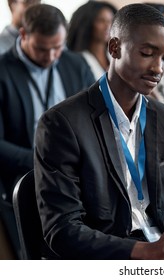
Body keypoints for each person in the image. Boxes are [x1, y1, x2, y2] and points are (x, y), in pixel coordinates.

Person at [34, 3, 164, 260]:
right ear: (114, 48)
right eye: (148, 53)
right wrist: (146, 251)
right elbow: (62, 230)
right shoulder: (62, 123)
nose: (158, 68)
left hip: (163, 251)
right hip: (113, 256)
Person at [0, 4, 95, 258]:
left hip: (76, 175)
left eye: (58, 47)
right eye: (43, 49)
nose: (52, 56)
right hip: (22, 177)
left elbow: (95, 119)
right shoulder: (3, 71)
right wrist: (42, 161)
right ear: (23, 35)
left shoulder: (74, 64)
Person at [67, 1, 117, 80]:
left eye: (110, 21)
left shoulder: (115, 56)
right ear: (87, 24)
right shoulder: (77, 59)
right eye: (101, 21)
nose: (107, 26)